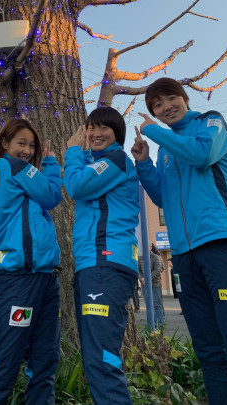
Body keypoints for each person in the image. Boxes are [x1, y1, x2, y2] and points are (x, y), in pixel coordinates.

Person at [131, 77, 227, 405]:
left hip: (224, 245)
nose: (165, 107)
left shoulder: (210, 122)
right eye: (157, 105)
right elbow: (162, 196)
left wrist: (154, 132)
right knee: (210, 354)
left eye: (171, 98)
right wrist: (144, 162)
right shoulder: (168, 152)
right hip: (185, 256)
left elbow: (202, 155)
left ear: (185, 99)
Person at [0, 118, 62, 405]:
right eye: (21, 143)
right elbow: (51, 195)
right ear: (4, 144)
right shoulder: (12, 167)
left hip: (45, 277)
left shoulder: (19, 173)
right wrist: (50, 165)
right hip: (20, 280)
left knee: (44, 361)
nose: (26, 150)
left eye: (31, 145)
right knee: (5, 363)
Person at [64, 107, 139, 405]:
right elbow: (86, 177)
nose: (95, 133)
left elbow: (77, 186)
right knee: (98, 357)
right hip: (94, 264)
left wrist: (72, 150)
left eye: (103, 128)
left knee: (102, 360)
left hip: (104, 263)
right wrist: (81, 156)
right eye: (90, 128)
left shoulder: (116, 159)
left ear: (116, 133)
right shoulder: (102, 163)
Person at [138, 242, 164, 327]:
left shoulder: (156, 257)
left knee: (156, 304)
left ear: (150, 247)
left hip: (154, 284)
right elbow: (137, 270)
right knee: (149, 305)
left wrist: (147, 279)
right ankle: (151, 324)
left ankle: (159, 324)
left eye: (146, 246)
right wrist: (142, 278)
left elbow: (158, 270)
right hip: (144, 285)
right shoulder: (140, 258)